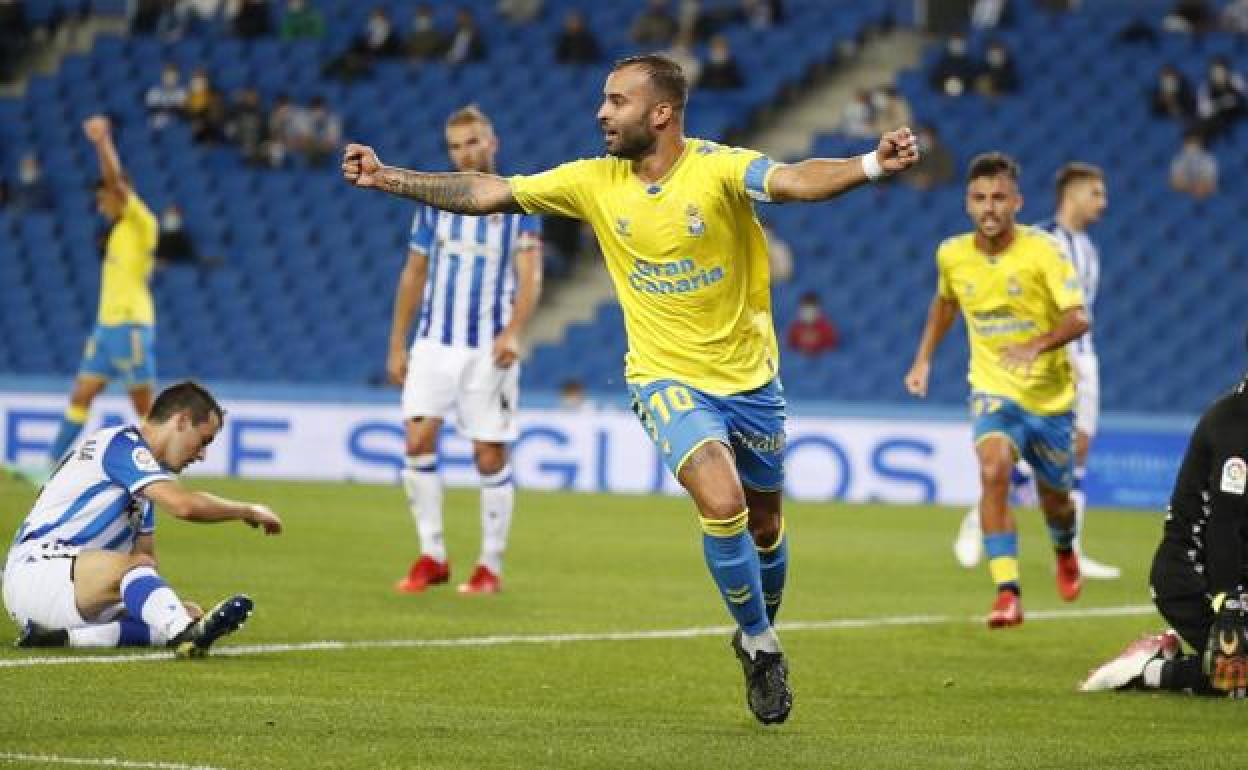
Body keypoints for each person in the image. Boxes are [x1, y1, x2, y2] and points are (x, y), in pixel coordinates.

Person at [341, 53, 919, 724]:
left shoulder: (719, 168)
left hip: (752, 379)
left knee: (765, 524)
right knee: (724, 501)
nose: (602, 113)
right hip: (664, 376)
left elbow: (793, 181)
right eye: (604, 100)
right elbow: (489, 192)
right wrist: (387, 177)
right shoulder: (592, 180)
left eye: (617, 101)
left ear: (661, 112)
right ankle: (762, 647)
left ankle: (754, 628)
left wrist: (869, 164)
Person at [904, 152, 1090, 630]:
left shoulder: (1044, 251)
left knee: (1056, 503)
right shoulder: (952, 254)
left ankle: (1064, 549)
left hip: (1050, 399)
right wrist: (923, 359)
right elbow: (945, 303)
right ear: (968, 204)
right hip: (992, 389)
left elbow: (1078, 318)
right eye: (980, 198)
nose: (989, 207)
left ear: (1017, 203)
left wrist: (1036, 345)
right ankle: (1007, 591)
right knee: (993, 471)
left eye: (999, 198)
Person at [385, 106, 543, 597]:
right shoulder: (434, 203)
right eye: (455, 146)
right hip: (434, 343)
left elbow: (531, 275)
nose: (464, 153)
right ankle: (432, 555)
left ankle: (489, 566)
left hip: (488, 348)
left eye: (472, 142)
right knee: (417, 441)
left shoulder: (518, 202)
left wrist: (514, 332)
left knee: (488, 455)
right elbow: (414, 274)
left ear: (492, 142)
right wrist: (397, 343)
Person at [4, 381, 282, 654]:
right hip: (38, 572)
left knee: (186, 611)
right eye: (203, 441)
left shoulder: (145, 482)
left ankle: (63, 638)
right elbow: (183, 506)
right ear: (182, 421)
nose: (202, 455)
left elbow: (146, 558)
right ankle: (184, 634)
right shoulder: (120, 444)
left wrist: (159, 602)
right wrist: (247, 510)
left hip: (76, 589)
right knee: (161, 602)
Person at [952, 162, 1120, 580]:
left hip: (1085, 357)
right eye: (1096, 193)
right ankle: (980, 515)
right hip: (1050, 361)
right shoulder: (1042, 241)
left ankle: (1072, 550)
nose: (1103, 202)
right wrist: (1056, 359)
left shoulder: (1088, 247)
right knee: (1030, 449)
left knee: (1076, 453)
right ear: (1072, 194)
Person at [1080, 340, 1248, 697]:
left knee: (1237, 668)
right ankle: (1146, 670)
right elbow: (1225, 525)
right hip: (1191, 576)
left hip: (1238, 571)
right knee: (1236, 671)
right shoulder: (1233, 423)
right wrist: (1230, 604)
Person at [34, 116, 160, 480]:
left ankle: (162, 471)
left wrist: (102, 142)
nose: (100, 204)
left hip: (130, 326)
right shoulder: (117, 232)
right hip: (106, 330)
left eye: (103, 198)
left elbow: (115, 181)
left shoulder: (142, 223)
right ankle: (49, 467)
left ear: (119, 195)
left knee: (144, 408)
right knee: (82, 394)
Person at [786, 292, 839, 356]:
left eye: (811, 310)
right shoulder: (795, 327)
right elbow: (790, 347)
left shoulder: (827, 328)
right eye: (805, 309)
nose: (808, 313)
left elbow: (831, 348)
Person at [1170, 129, 1218, 199]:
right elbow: (1175, 183)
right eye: (1189, 144)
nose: (1191, 147)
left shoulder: (1208, 160)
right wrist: (1193, 185)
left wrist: (1194, 185)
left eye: (1194, 144)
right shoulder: (1178, 159)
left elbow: (1211, 185)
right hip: (1184, 196)